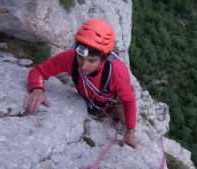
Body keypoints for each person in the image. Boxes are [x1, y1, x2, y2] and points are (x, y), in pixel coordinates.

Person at [23, 19, 138, 149]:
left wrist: (130, 130)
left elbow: (129, 100)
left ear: (104, 58)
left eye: (92, 61)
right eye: (80, 57)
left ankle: (114, 114)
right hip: (93, 100)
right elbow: (38, 71)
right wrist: (37, 90)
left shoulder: (118, 72)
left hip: (116, 102)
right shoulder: (70, 58)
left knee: (125, 121)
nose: (83, 66)